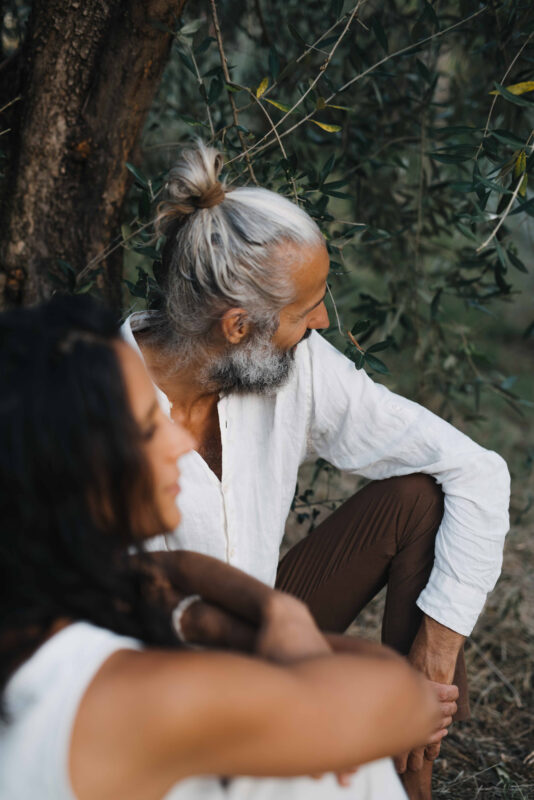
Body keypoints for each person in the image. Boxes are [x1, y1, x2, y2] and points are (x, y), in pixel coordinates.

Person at [122, 142, 511, 800]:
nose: (323, 321)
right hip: (157, 680)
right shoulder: (96, 397)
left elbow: (478, 471)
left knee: (422, 499)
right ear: (239, 325)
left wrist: (431, 660)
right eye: (305, 313)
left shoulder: (292, 367)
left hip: (267, 625)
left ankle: (408, 780)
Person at [0, 295, 448, 800]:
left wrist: (215, 614)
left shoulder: (36, 630)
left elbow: (148, 572)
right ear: (76, 471)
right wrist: (271, 615)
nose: (181, 444)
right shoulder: (121, 699)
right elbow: (406, 701)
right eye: (151, 426)